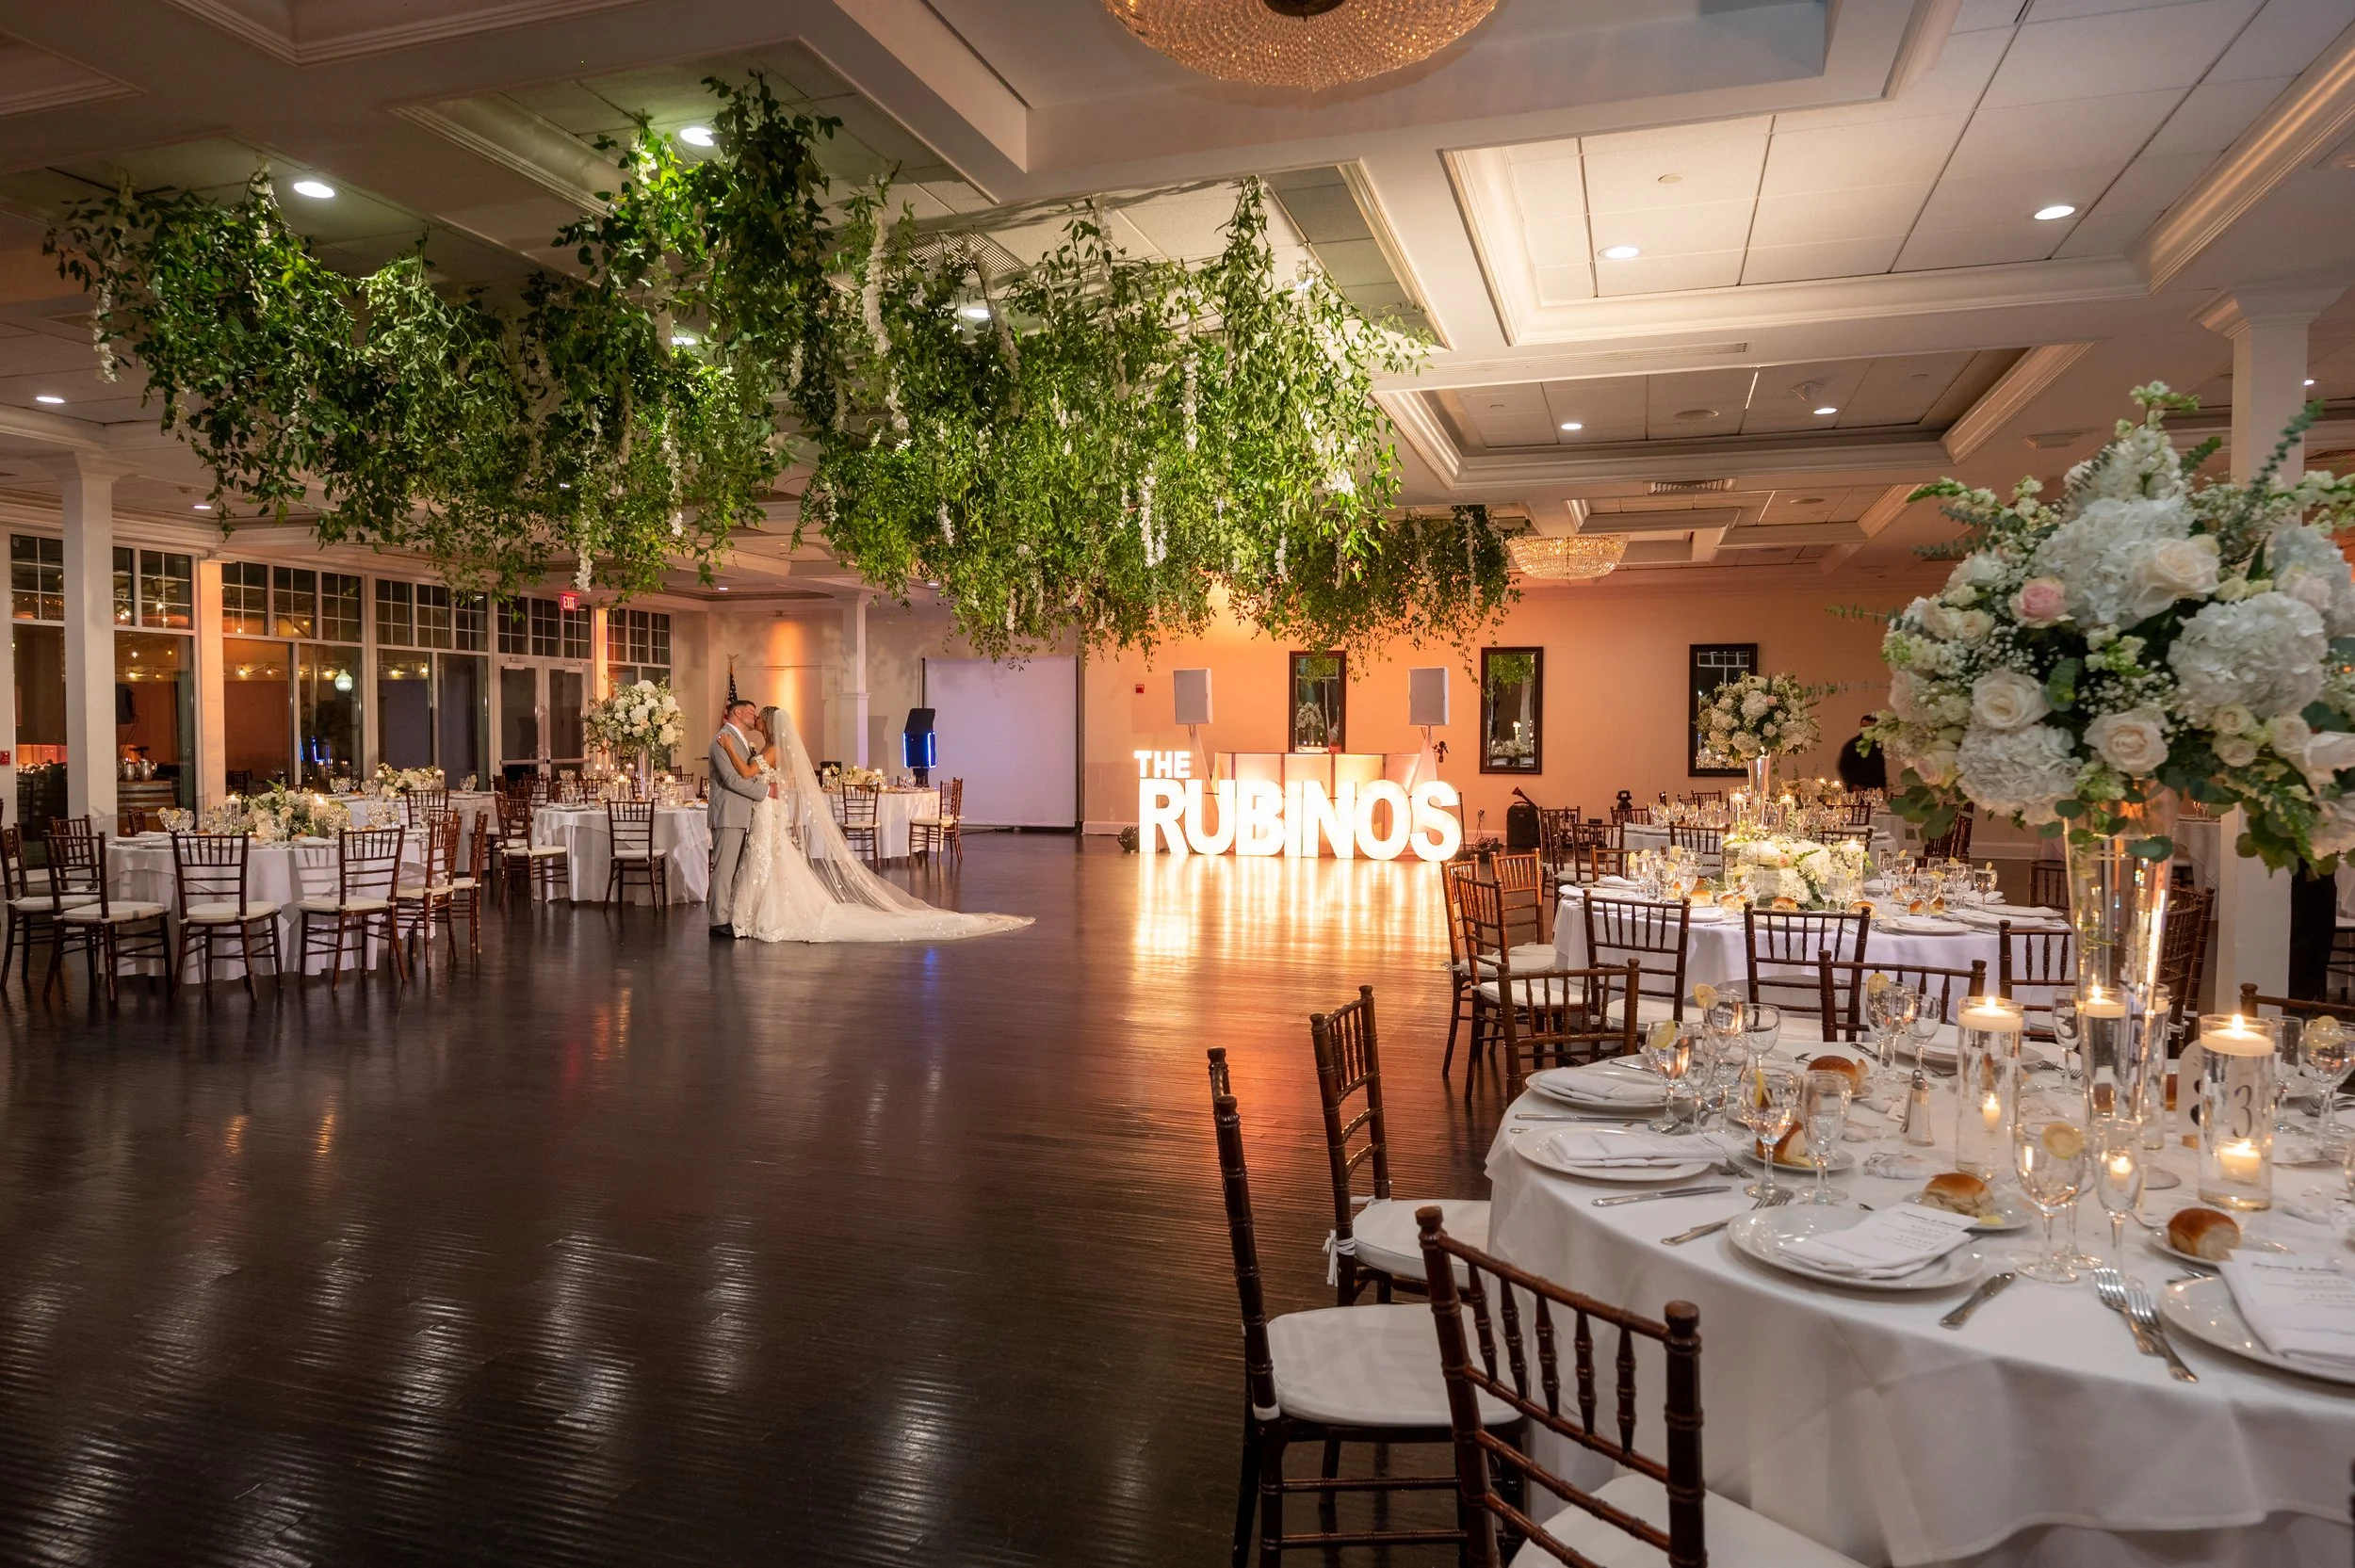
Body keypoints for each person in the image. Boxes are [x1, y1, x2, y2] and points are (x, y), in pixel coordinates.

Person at [732, 704, 1030, 944]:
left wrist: (728, 749)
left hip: (768, 809)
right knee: (770, 855)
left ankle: (766, 911)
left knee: (769, 855)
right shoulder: (772, 748)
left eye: (759, 718)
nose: (756, 720)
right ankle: (761, 907)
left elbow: (746, 773)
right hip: (767, 807)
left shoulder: (772, 750)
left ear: (768, 724)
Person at [707, 699, 773, 939]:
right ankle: (718, 920)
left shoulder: (738, 740)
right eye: (751, 712)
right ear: (737, 712)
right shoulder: (721, 739)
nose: (754, 717)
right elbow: (732, 779)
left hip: (740, 812)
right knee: (724, 869)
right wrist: (766, 791)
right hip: (728, 812)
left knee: (733, 869)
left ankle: (728, 915)